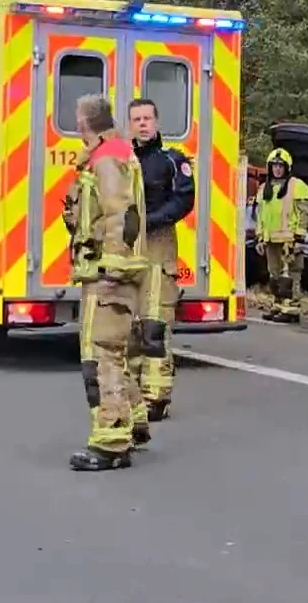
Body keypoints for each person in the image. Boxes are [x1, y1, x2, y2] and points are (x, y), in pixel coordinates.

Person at [66, 93, 149, 471]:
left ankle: (110, 444)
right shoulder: (108, 154)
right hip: (104, 271)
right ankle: (129, 426)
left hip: (108, 275)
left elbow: (121, 214)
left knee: (102, 356)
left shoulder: (108, 158)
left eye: (77, 117)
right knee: (111, 352)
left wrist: (113, 267)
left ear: (85, 122)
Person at [127, 98, 195, 429]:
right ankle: (135, 392)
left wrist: (150, 220)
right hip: (127, 249)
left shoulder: (172, 160)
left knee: (155, 325)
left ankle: (157, 397)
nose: (142, 124)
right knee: (131, 326)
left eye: (147, 118)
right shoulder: (123, 162)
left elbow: (184, 200)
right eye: (136, 119)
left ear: (156, 122)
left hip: (158, 246)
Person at [253, 147, 308, 324]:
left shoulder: (297, 186)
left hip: (289, 241)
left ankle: (291, 309)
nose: (277, 169)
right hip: (271, 241)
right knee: (274, 276)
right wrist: (260, 238)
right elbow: (260, 216)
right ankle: (278, 305)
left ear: (287, 167)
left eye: (281, 166)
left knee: (290, 276)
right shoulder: (264, 189)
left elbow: (303, 214)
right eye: (274, 165)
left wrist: (299, 239)